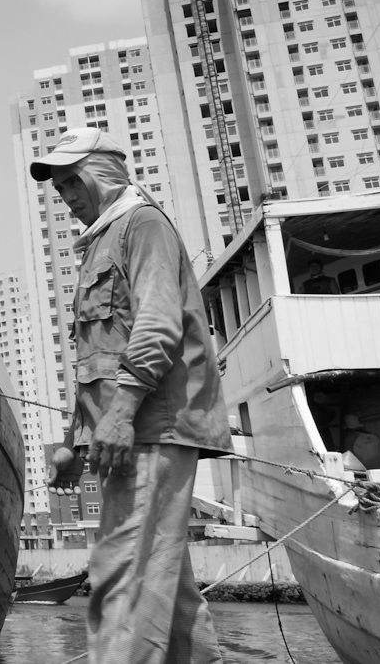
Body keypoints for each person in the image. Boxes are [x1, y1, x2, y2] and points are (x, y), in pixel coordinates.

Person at [30, 128, 233, 664]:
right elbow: (100, 356)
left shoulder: (140, 225)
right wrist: (78, 442)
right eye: (61, 188)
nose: (69, 197)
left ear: (106, 173)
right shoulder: (102, 239)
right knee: (172, 598)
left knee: (123, 584)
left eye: (75, 181)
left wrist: (119, 415)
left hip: (151, 429)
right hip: (130, 433)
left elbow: (157, 325)